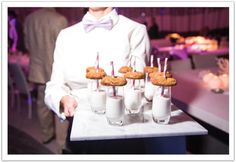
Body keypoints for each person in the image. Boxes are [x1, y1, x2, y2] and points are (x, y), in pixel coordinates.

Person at [44, 7, 150, 153]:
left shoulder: (136, 30)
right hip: (80, 127)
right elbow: (54, 86)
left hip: (124, 129)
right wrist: (63, 98)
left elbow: (139, 84)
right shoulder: (66, 35)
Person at [24, 8, 68, 153]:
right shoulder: (60, 20)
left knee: (42, 103)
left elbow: (27, 45)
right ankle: (61, 145)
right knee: (60, 106)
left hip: (37, 70)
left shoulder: (29, 19)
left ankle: (46, 135)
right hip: (56, 72)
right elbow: (66, 50)